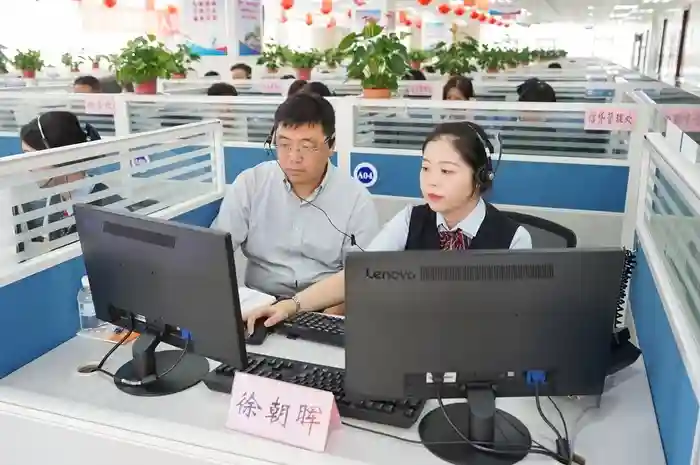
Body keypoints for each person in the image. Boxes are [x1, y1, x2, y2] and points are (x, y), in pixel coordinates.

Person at [245, 121, 532, 331]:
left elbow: (514, 324)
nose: (431, 181)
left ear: (481, 177)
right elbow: (359, 274)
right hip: (408, 351)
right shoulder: (410, 220)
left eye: (446, 171)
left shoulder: (512, 240)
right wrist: (291, 306)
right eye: (425, 167)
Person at [211, 92, 379, 299]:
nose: (293, 157)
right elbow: (215, 254)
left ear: (331, 145)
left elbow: (361, 276)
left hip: (325, 305)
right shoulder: (251, 184)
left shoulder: (355, 199)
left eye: (306, 146)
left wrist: (326, 312)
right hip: (261, 302)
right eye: (284, 145)